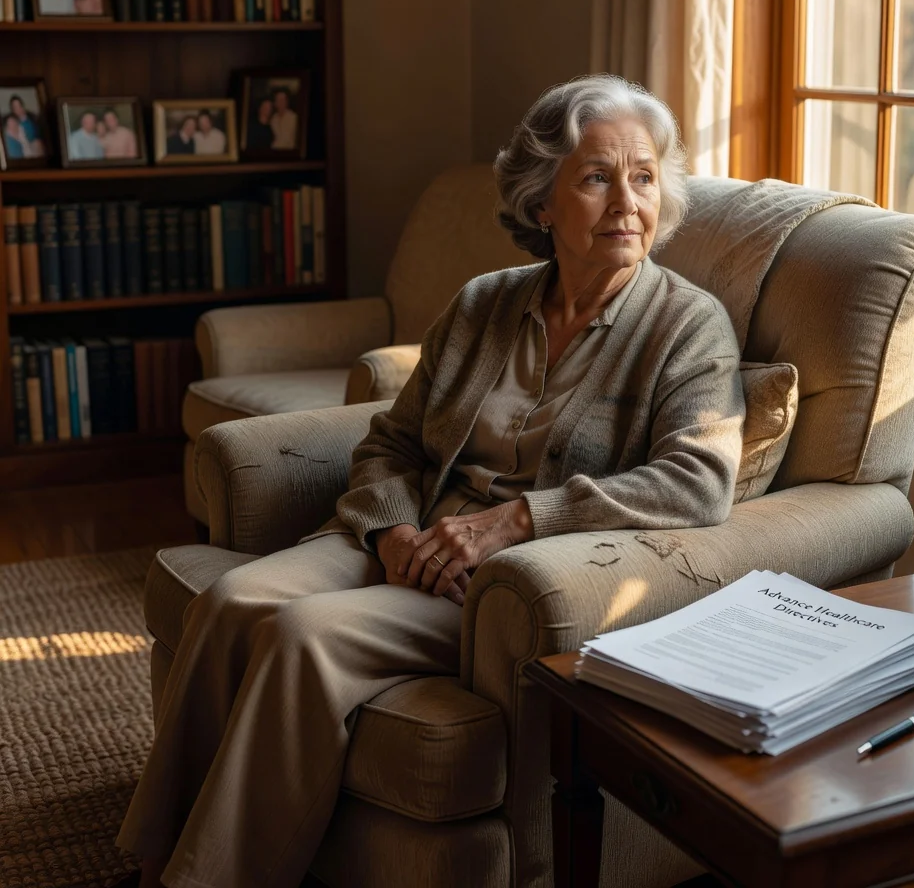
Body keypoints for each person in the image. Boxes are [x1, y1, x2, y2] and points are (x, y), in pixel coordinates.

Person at [119, 75, 745, 888]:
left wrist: (516, 521)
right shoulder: (485, 303)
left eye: (644, 176)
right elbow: (390, 442)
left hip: (507, 582)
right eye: (596, 177)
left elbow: (698, 482)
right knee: (230, 602)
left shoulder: (687, 326)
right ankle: (154, 854)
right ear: (541, 202)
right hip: (411, 537)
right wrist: (391, 534)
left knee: (301, 638)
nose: (627, 201)